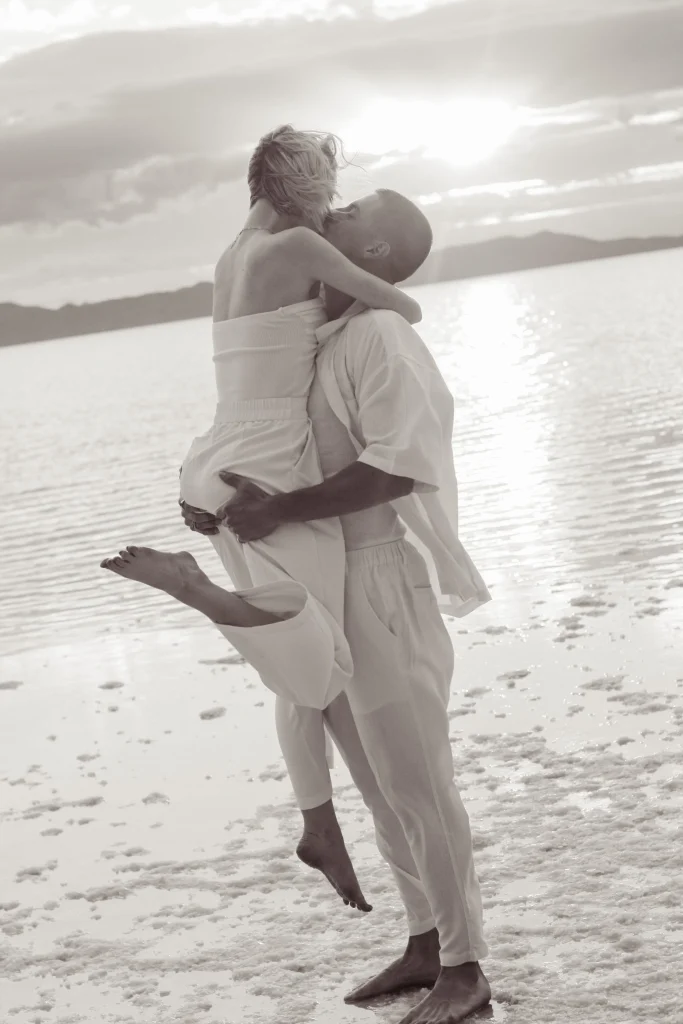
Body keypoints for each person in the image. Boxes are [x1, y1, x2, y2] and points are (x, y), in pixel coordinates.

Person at [132, 189, 493, 1024]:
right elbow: (269, 449)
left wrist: (279, 511)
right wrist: (219, 502)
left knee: (417, 782)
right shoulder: (312, 334)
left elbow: (399, 465)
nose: (338, 205)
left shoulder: (380, 335)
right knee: (373, 782)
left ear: (374, 254)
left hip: (377, 578)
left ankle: (465, 967)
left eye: (359, 207)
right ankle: (422, 939)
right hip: (322, 573)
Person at [101, 124, 423, 914]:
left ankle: (320, 822)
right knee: (319, 659)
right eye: (330, 187)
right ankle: (196, 594)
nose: (334, 203)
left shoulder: (231, 256)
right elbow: (400, 304)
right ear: (303, 183)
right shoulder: (298, 252)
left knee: (296, 653)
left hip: (215, 453)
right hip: (270, 465)